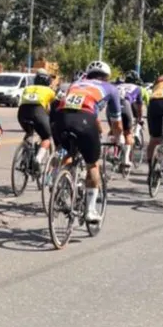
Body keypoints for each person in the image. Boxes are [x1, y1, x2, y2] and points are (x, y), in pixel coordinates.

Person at [52, 60, 123, 223]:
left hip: (61, 119)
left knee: (68, 152)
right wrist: (118, 139)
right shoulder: (111, 88)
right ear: (107, 77)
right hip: (84, 120)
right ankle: (90, 210)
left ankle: (58, 181)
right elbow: (117, 123)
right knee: (92, 164)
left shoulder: (76, 84)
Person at [17, 69, 56, 170]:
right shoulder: (50, 91)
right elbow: (53, 107)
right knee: (46, 137)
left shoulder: (27, 88)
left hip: (22, 113)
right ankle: (38, 159)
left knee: (29, 132)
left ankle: (25, 155)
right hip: (38, 112)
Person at [115, 70, 144, 168]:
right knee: (128, 133)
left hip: (112, 107)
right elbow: (139, 107)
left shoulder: (117, 86)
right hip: (125, 104)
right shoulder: (137, 88)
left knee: (114, 130)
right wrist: (139, 118)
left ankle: (114, 154)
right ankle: (126, 159)